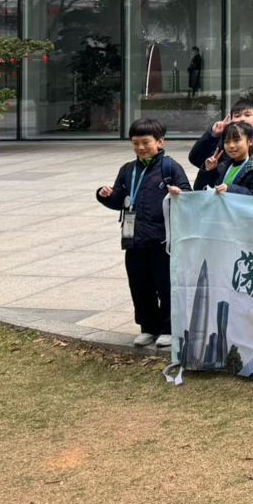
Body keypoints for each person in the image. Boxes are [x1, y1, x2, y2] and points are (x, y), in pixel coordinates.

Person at [96, 118, 191, 349]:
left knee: (165, 286)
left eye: (146, 142)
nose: (140, 148)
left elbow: (188, 196)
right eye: (135, 143)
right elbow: (119, 200)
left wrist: (179, 193)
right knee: (139, 286)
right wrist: (104, 194)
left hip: (162, 241)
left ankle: (168, 329)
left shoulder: (170, 168)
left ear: (160, 142)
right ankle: (148, 327)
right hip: (134, 240)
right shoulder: (127, 170)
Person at [189, 99, 253, 171]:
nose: (242, 119)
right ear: (231, 120)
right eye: (237, 116)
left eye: (247, 115)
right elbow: (196, 159)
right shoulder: (223, 143)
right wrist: (213, 135)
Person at [193, 121, 253, 196]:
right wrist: (207, 170)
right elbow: (198, 189)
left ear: (251, 141)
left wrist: (230, 189)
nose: (231, 146)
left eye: (236, 140)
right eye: (227, 142)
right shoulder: (222, 167)